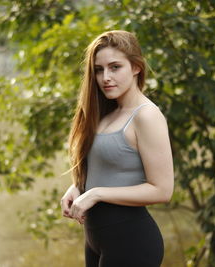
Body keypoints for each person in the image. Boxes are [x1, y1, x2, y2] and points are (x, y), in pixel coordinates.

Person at [60, 30, 174, 267]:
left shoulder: (146, 116)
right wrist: (78, 187)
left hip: (131, 241)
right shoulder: (106, 112)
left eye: (115, 67)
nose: (105, 77)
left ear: (136, 67)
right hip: (97, 239)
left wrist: (96, 193)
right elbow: (108, 165)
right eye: (99, 70)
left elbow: (162, 190)